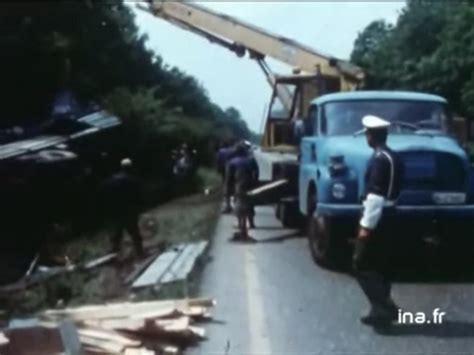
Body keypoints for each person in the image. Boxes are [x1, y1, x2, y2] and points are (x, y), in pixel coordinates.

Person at [352, 115, 403, 326]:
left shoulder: (380, 159)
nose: (366, 137)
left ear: (372, 135)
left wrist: (365, 227)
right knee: (381, 265)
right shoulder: (393, 156)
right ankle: (379, 308)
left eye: (367, 134)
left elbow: (375, 196)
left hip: (378, 217)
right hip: (390, 215)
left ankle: (385, 306)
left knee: (360, 264)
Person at [99, 158, 145, 257]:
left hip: (114, 213)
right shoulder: (133, 180)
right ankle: (140, 253)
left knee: (116, 236)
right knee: (135, 234)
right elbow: (138, 197)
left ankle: (114, 257)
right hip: (129, 212)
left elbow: (103, 198)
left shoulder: (108, 181)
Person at [227, 141, 258, 241]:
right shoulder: (251, 160)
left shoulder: (232, 162)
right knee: (249, 204)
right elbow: (256, 172)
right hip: (250, 185)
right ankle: (250, 224)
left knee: (239, 205)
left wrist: (229, 191)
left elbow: (229, 179)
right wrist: (254, 183)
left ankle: (242, 229)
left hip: (239, 185)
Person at [216, 142, 237, 213]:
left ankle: (228, 206)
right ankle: (235, 204)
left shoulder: (221, 151)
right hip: (234, 171)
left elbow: (218, 162)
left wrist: (219, 170)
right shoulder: (234, 150)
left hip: (225, 171)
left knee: (227, 188)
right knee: (235, 187)